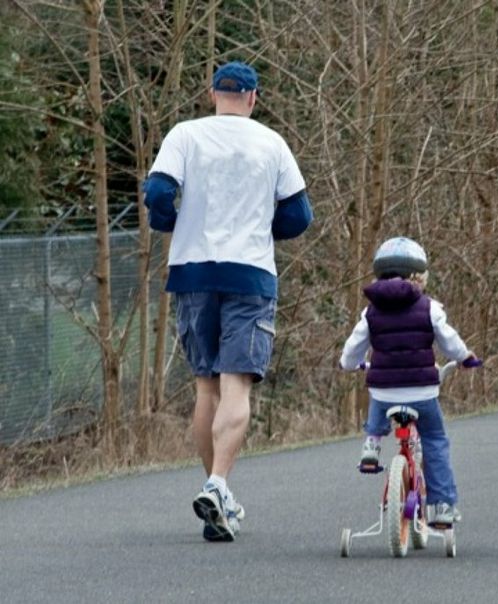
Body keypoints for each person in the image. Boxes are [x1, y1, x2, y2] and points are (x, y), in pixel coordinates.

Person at [142, 61, 313, 541]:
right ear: (254, 99)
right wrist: (263, 227)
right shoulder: (271, 143)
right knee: (237, 384)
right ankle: (218, 484)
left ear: (212, 92)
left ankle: (216, 492)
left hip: (193, 271)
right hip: (251, 273)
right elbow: (299, 215)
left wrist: (167, 221)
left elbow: (157, 189)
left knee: (205, 387)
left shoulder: (185, 134)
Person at [339, 237, 479, 526]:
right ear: (418, 275)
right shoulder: (429, 307)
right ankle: (442, 507)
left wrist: (348, 365)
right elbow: (449, 341)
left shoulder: (370, 311)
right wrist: (465, 357)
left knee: (379, 398)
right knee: (435, 441)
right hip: (422, 391)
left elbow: (353, 348)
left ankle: (372, 446)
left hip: (384, 393)